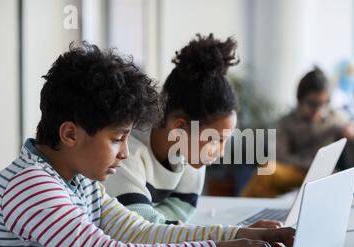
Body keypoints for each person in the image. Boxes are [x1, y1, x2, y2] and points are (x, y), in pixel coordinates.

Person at [0, 42, 294, 247]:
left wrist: (239, 237)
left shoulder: (79, 183)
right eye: (116, 139)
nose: (125, 152)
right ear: (70, 135)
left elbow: (140, 232)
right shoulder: (31, 185)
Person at [105, 34, 279, 228]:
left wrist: (160, 224)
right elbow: (140, 231)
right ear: (179, 127)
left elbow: (178, 213)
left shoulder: (188, 153)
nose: (220, 152)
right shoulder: (125, 154)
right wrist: (232, 235)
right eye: (214, 140)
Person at [241, 67, 354, 197]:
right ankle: (255, 210)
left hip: (328, 175)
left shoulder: (336, 118)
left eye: (323, 104)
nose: (318, 110)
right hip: (299, 172)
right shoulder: (286, 122)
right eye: (312, 104)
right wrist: (311, 164)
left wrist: (351, 132)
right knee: (267, 170)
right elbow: (281, 157)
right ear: (300, 100)